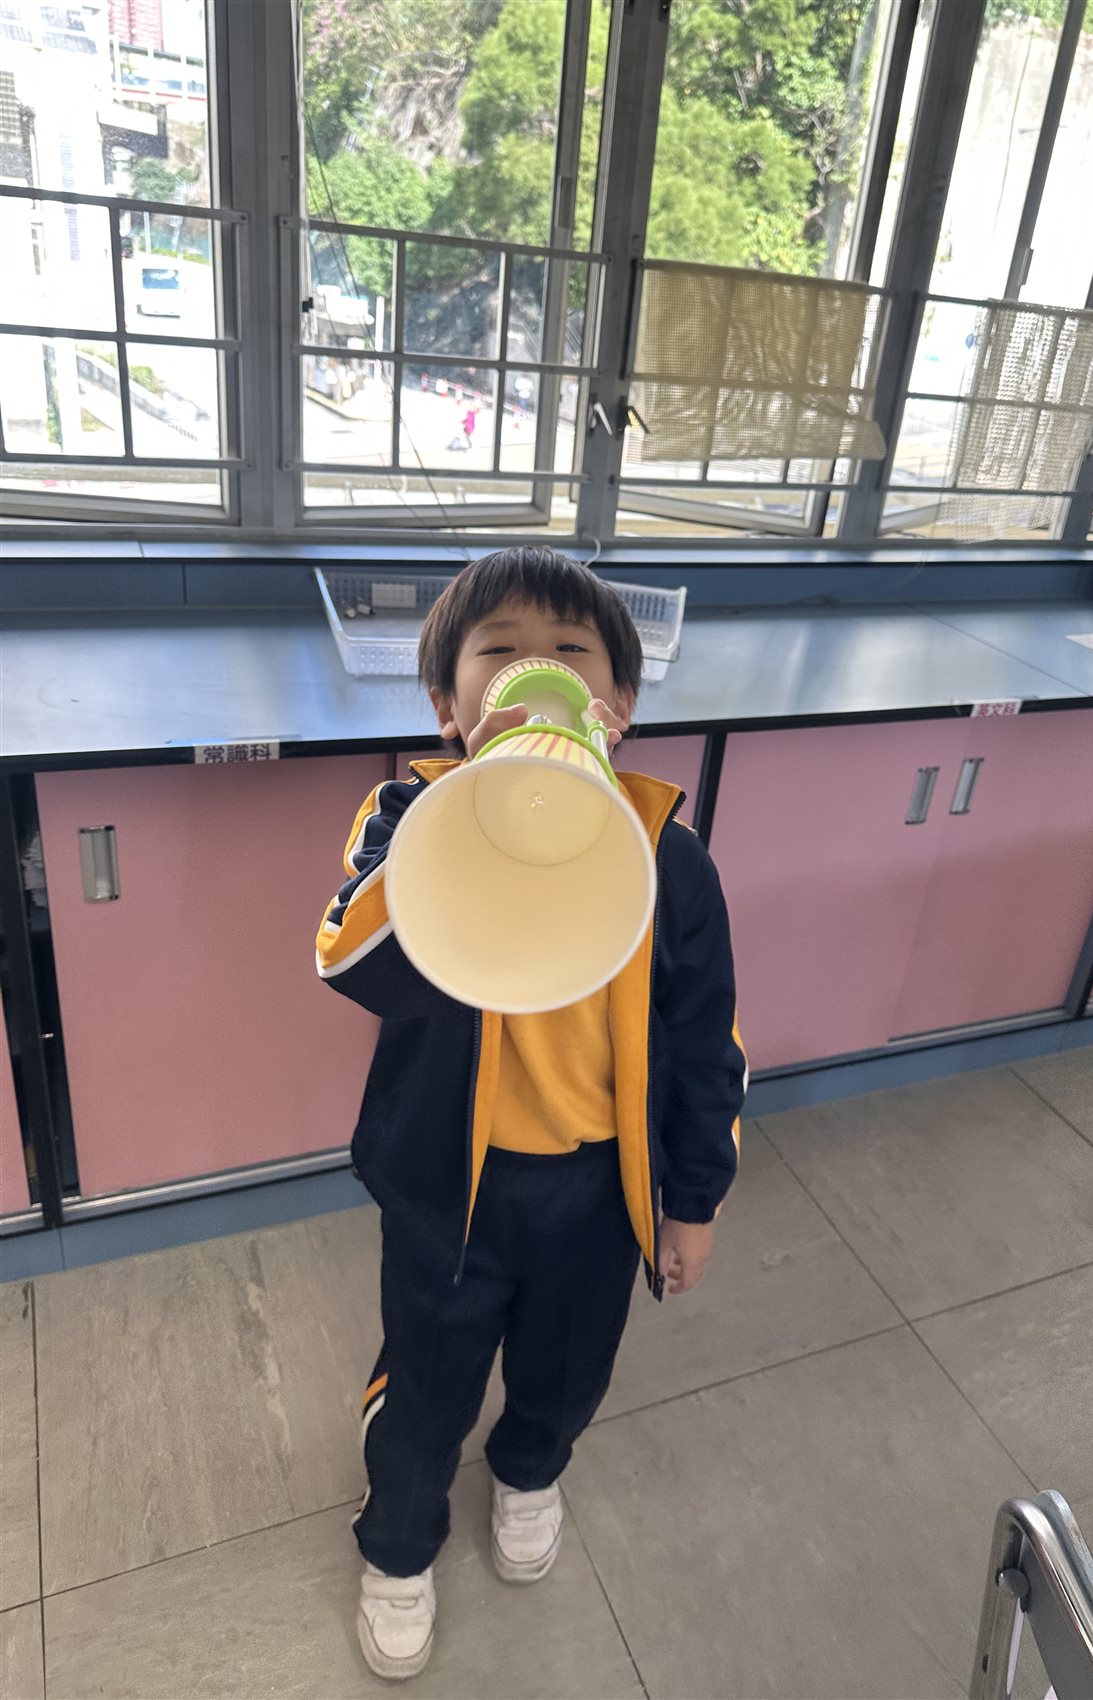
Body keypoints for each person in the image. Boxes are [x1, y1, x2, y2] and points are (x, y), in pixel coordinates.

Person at [315, 546, 747, 1681]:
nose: (534, 670)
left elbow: (709, 1046)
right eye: (498, 653)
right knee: (426, 1379)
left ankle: (529, 1469)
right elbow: (349, 962)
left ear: (621, 704)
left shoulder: (669, 858)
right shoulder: (408, 816)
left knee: (567, 1365)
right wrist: (454, 819)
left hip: (598, 1187)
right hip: (446, 1187)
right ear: (447, 705)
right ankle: (398, 1543)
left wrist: (693, 1200)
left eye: (569, 653)